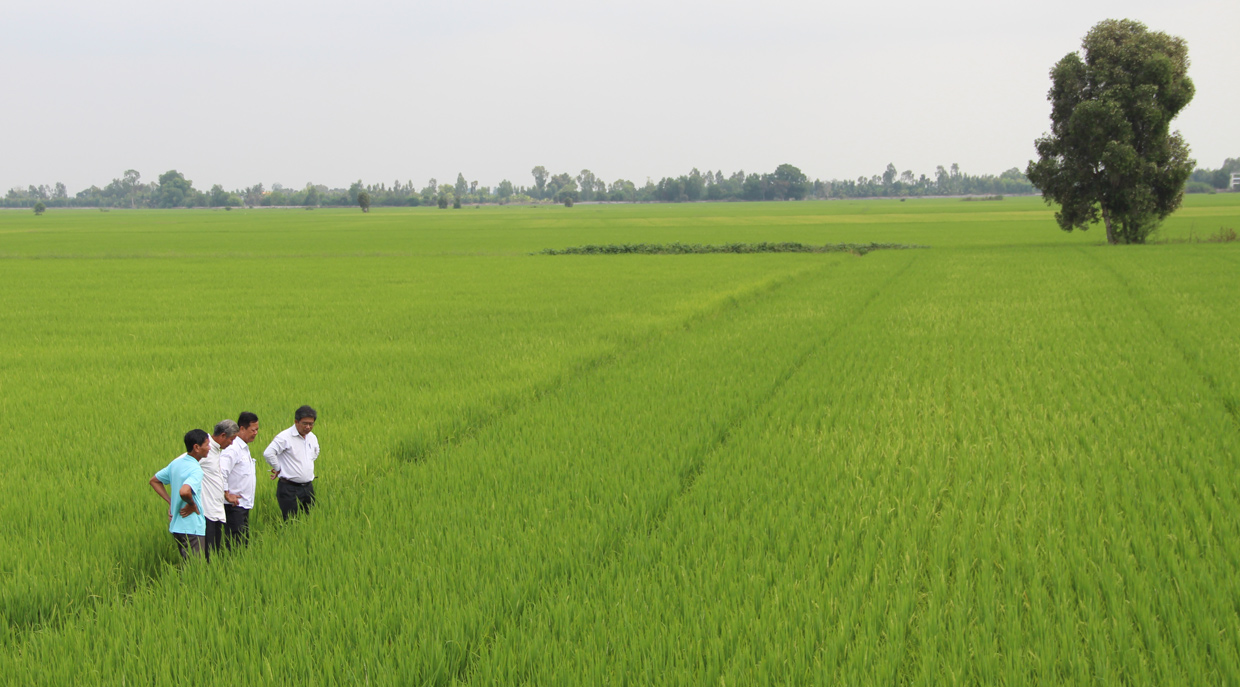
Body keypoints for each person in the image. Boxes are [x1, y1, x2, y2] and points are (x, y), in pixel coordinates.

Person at [148, 430, 210, 561]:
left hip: (177, 527)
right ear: (197, 447)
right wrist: (192, 504)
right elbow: (184, 491)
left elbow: (154, 480)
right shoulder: (196, 469)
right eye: (207, 444)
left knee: (187, 566)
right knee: (195, 571)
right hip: (192, 527)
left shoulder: (176, 463)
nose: (209, 448)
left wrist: (172, 502)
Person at [263, 405, 320, 521]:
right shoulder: (285, 437)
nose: (308, 427)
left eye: (311, 424)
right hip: (289, 488)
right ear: (296, 422)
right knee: (291, 521)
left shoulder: (312, 437)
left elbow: (316, 452)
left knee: (309, 520)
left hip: (308, 487)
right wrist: (278, 468)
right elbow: (268, 453)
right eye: (305, 423)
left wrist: (305, 464)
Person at [220, 412, 259, 549]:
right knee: (235, 545)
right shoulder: (233, 448)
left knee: (242, 543)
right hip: (234, 506)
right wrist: (226, 493)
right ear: (241, 429)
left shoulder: (243, 448)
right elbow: (221, 471)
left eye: (257, 430)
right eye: (252, 430)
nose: (255, 433)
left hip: (243, 505)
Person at [202, 420, 237, 561]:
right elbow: (180, 466)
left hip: (216, 510)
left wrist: (226, 494)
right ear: (223, 435)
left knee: (214, 551)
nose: (232, 443)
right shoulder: (205, 449)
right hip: (206, 511)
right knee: (208, 554)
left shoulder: (215, 450)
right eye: (231, 439)